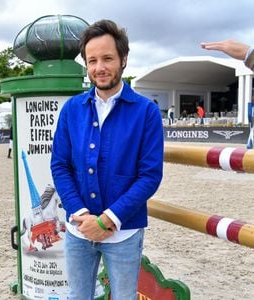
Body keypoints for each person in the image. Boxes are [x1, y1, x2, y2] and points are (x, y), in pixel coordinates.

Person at [50, 19, 164, 300]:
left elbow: (150, 176)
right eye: (92, 60)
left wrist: (107, 220)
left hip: (124, 232)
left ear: (124, 59)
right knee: (78, 297)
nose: (99, 67)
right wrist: (80, 213)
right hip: (79, 229)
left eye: (107, 58)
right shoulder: (72, 109)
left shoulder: (147, 112)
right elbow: (60, 165)